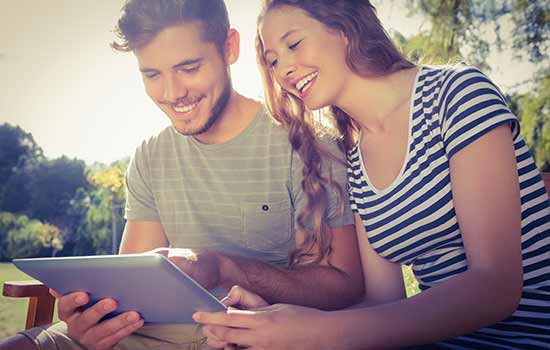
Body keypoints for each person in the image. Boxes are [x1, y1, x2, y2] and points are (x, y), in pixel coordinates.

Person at [0, 1, 364, 350]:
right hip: (141, 336)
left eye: (189, 68)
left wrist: (224, 268)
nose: (172, 93)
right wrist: (93, 320)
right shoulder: (149, 155)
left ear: (229, 47)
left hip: (239, 337)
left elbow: (343, 284)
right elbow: (129, 287)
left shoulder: (305, 144)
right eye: (152, 75)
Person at [193, 0, 550, 348]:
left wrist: (317, 333)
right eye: (273, 61)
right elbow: (383, 303)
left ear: (343, 26)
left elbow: (496, 287)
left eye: (294, 43)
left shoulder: (456, 96)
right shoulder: (356, 161)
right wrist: (273, 322)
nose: (284, 69)